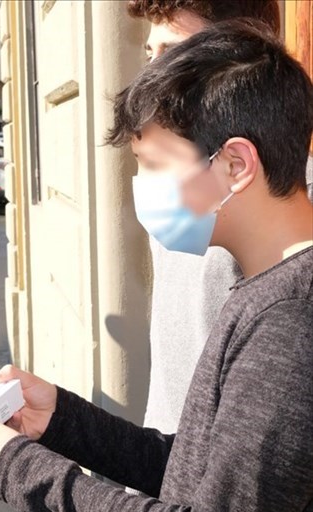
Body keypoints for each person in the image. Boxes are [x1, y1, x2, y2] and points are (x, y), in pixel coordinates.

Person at [0, 22, 313, 512]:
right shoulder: (269, 288)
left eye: (154, 166)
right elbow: (197, 475)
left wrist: (14, 469)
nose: (143, 188)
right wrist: (62, 421)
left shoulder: (291, 318)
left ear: (236, 165)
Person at [126, 0, 313, 435]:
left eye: (172, 52)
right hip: (171, 469)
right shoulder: (189, 186)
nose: (153, 73)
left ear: (237, 51)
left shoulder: (287, 214)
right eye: (149, 54)